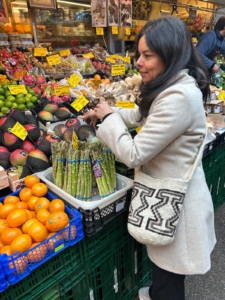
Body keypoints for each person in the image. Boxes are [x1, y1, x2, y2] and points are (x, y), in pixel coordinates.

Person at [82, 16, 216, 300]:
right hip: (167, 198)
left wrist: (108, 117)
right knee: (164, 278)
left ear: (171, 55)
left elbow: (134, 153)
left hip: (174, 205)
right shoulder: (171, 86)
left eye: (147, 55)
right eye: (138, 54)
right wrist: (109, 112)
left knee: (168, 283)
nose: (138, 62)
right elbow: (141, 115)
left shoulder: (179, 97)